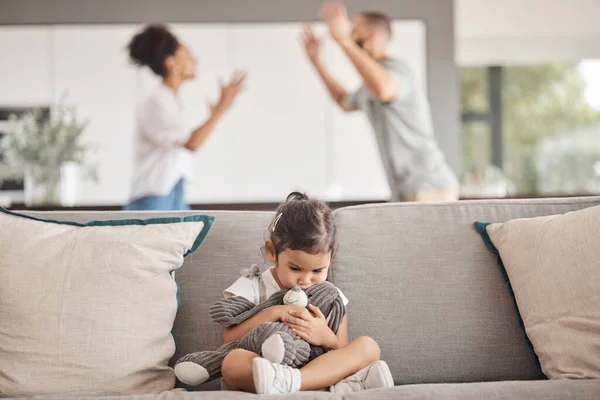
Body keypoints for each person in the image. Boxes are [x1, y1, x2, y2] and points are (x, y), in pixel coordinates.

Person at [218, 192, 394, 395]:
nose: (306, 281)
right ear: (271, 251)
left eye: (317, 271)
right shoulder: (252, 286)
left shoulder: (331, 297)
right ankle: (328, 386)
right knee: (232, 362)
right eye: (295, 269)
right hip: (265, 369)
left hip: (315, 370)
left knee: (369, 346)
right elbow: (228, 339)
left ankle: (293, 382)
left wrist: (326, 336)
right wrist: (276, 311)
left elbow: (341, 349)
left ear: (331, 258)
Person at [302, 2, 459, 202]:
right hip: (404, 190)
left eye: (354, 32)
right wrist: (317, 61)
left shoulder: (398, 71)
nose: (350, 36)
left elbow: (385, 90)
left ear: (371, 37)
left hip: (430, 186)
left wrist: (343, 41)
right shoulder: (369, 86)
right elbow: (343, 100)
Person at [124, 24, 246, 210]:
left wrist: (216, 113)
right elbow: (191, 143)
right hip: (155, 196)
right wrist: (221, 108)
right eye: (187, 54)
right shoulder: (156, 101)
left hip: (170, 192)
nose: (195, 59)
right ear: (171, 63)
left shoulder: (169, 101)